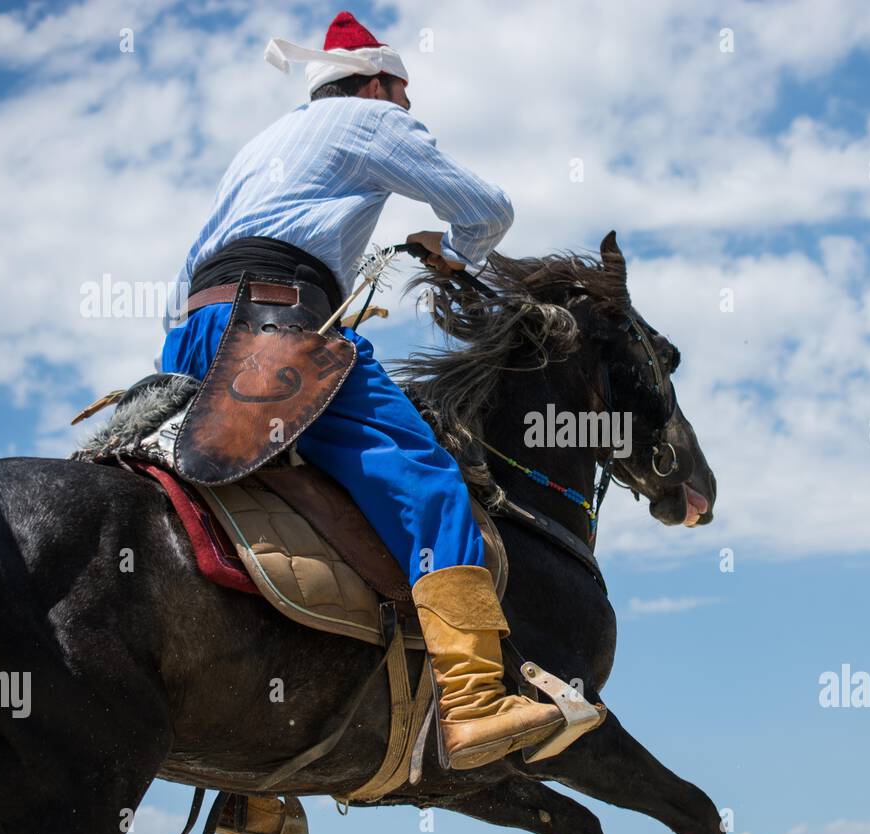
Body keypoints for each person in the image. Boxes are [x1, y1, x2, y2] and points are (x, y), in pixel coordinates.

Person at [159, 11, 588, 770]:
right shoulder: (368, 119)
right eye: (405, 97)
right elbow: (488, 208)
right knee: (419, 476)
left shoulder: (265, 144)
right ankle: (474, 703)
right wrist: (453, 252)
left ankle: (250, 786)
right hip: (273, 330)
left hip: (191, 335)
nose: (408, 113)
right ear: (380, 82)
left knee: (273, 505)